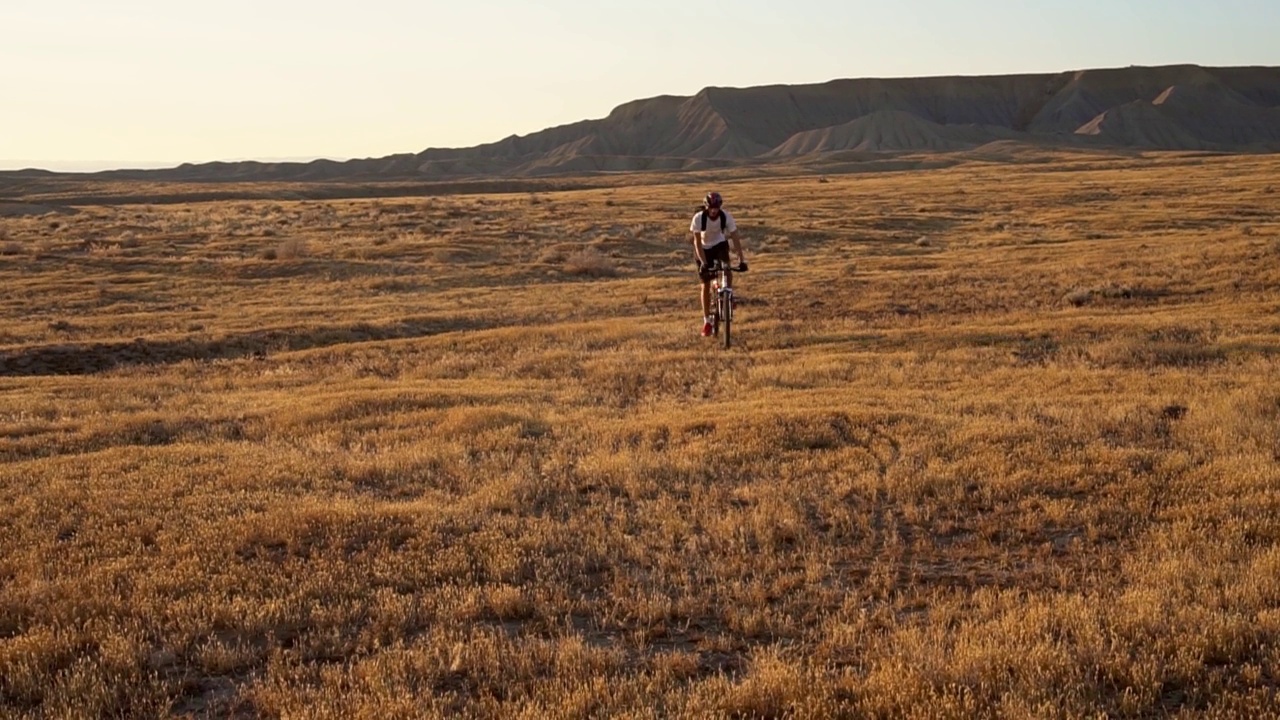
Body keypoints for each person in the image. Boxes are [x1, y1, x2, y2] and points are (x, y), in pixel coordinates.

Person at [689, 191, 746, 337]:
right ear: (706, 207)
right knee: (705, 284)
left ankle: (728, 295)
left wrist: (741, 260)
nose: (714, 210)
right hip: (703, 248)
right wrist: (703, 263)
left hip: (719, 244)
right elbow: (696, 242)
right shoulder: (698, 218)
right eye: (711, 207)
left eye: (716, 207)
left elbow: (735, 238)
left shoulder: (725, 217)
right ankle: (707, 321)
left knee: (727, 269)